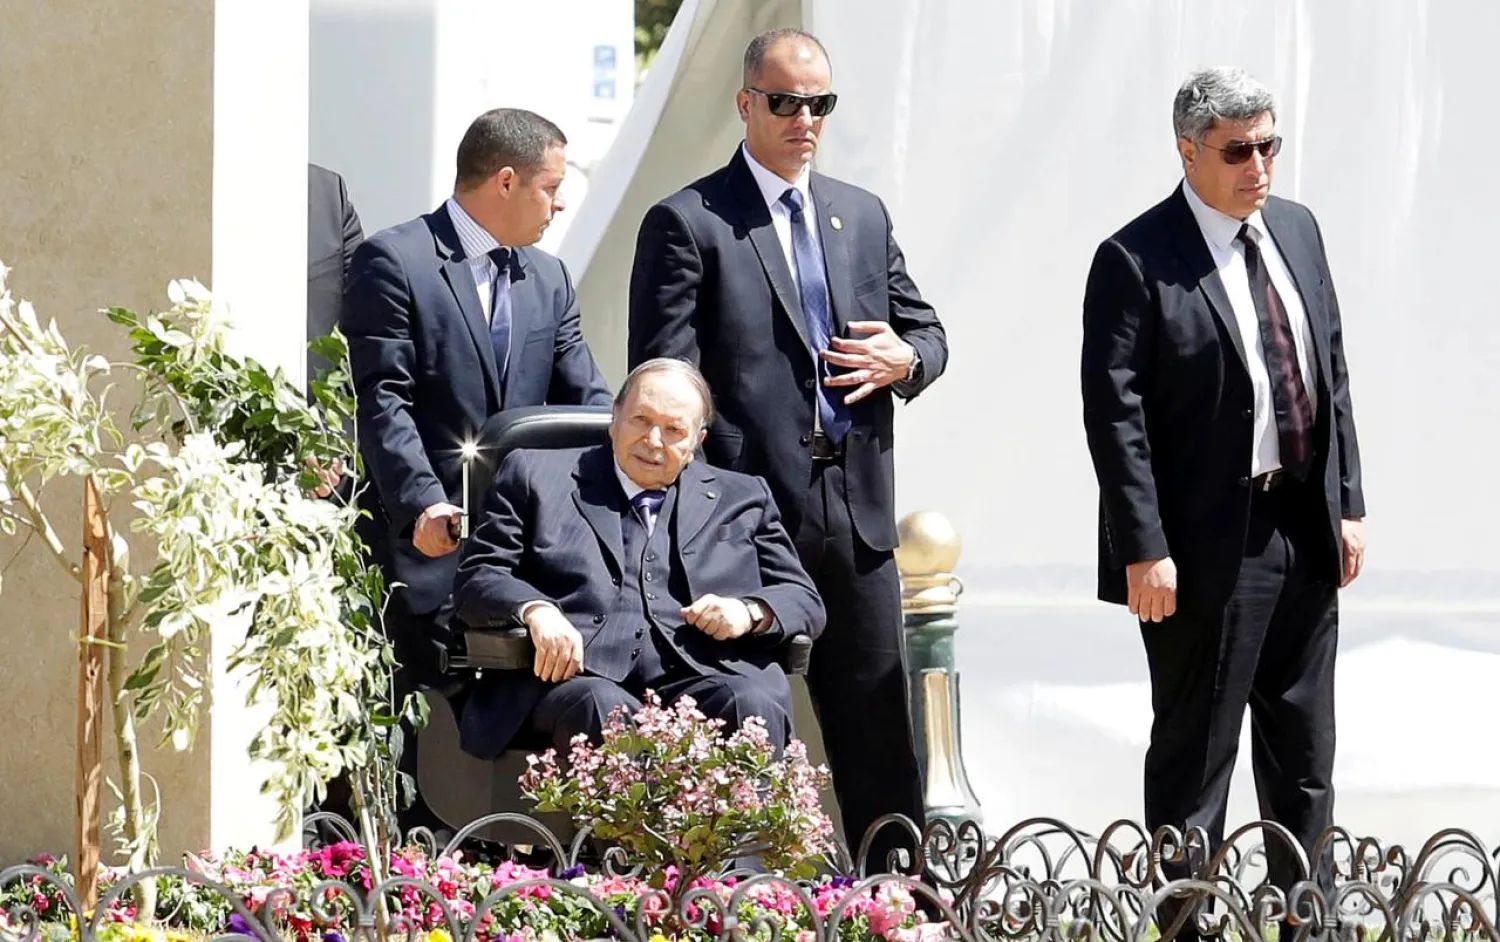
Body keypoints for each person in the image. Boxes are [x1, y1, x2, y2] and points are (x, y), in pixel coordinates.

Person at [626, 28, 947, 867]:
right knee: (745, 715)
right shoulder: (688, 221)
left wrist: (905, 359)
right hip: (746, 515)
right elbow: (665, 376)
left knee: (878, 724)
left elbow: (927, 332)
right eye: (785, 102)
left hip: (857, 509)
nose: (804, 118)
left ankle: (898, 899)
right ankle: (745, 899)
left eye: (820, 104)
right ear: (745, 105)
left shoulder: (860, 213)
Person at [1080, 66, 1367, 929]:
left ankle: (1301, 918)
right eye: (1238, 151)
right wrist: (1144, 546)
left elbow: (1333, 372)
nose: (1259, 167)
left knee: (1305, 755)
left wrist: (1348, 502)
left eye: (1269, 145)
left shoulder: (1298, 231)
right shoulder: (1135, 258)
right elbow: (1114, 417)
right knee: (1198, 757)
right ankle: (1183, 922)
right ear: (1189, 151)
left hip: (1301, 530)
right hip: (1201, 548)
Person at [342, 107, 611, 837]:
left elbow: (587, 401)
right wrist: (422, 504)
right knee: (402, 733)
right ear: (505, 180)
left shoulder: (550, 279)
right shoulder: (394, 261)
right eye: (552, 188)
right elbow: (382, 398)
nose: (559, 205)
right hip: (418, 549)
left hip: (517, 555)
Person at [451, 358, 824, 760]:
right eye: (641, 420)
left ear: (698, 439)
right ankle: (615, 828)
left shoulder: (745, 496)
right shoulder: (533, 474)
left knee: (750, 702)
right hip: (578, 679)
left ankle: (737, 827)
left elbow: (803, 598)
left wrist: (749, 611)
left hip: (706, 675)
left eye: (674, 430)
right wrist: (536, 611)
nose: (653, 441)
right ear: (615, 417)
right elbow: (479, 575)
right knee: (600, 706)